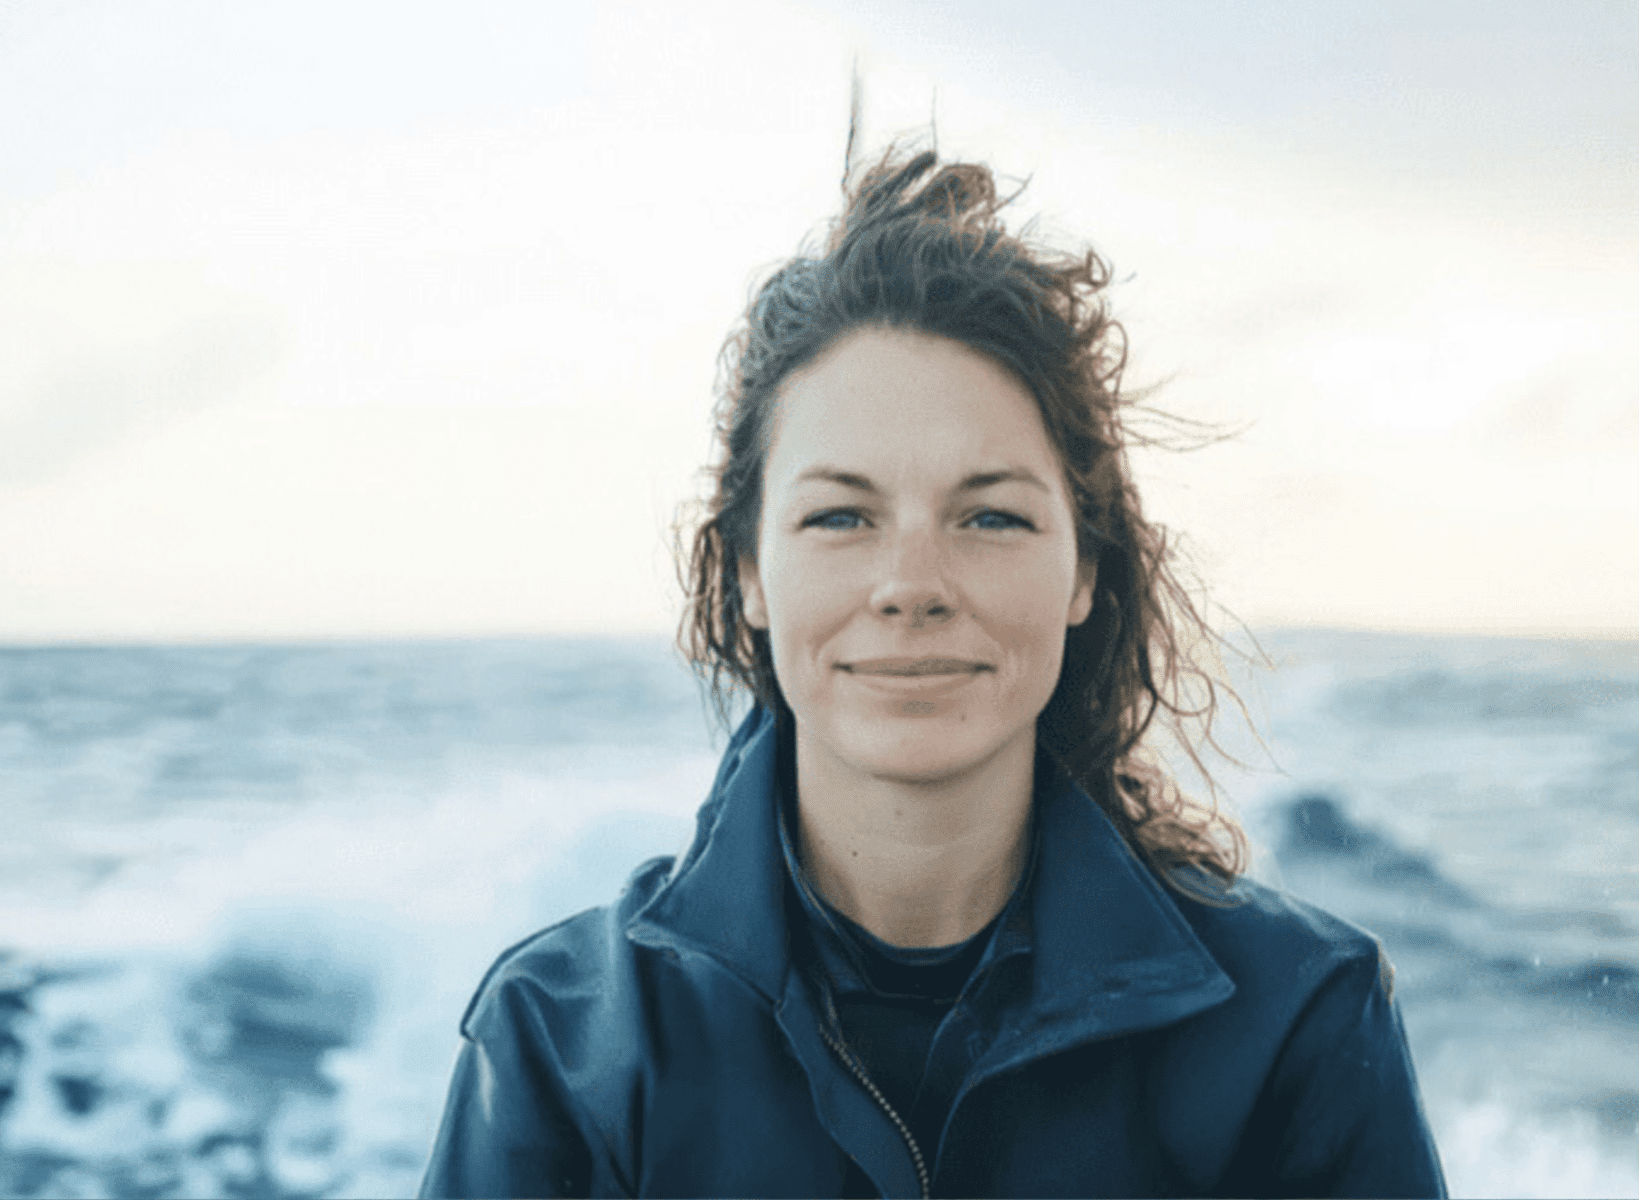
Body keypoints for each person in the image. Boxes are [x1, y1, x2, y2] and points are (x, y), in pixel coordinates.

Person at [419, 147, 1447, 1199]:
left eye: (990, 515)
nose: (912, 584)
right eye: (839, 517)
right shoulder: (562, 1043)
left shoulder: (1297, 1018)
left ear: (1084, 571)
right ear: (748, 576)